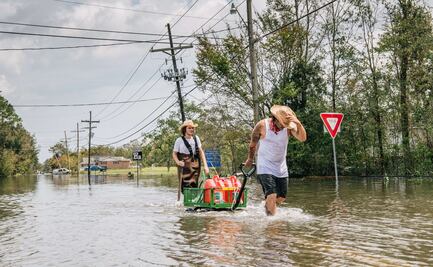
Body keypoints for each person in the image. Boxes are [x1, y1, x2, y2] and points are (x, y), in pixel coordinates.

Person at [244, 105, 307, 215]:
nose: (283, 127)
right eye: (282, 124)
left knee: (281, 197)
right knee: (271, 194)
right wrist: (250, 158)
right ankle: (272, 225)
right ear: (275, 119)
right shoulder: (262, 125)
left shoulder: (289, 128)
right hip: (265, 166)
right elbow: (252, 144)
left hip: (281, 167)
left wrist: (298, 124)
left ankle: (267, 206)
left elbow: (302, 138)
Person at [172, 120, 209, 192]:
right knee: (185, 187)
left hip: (195, 165)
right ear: (184, 129)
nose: (192, 129)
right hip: (184, 166)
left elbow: (201, 152)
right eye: (189, 128)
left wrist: (206, 166)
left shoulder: (196, 138)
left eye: (193, 128)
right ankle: (186, 201)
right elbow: (174, 153)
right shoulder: (179, 140)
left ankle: (192, 202)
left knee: (194, 186)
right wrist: (178, 162)